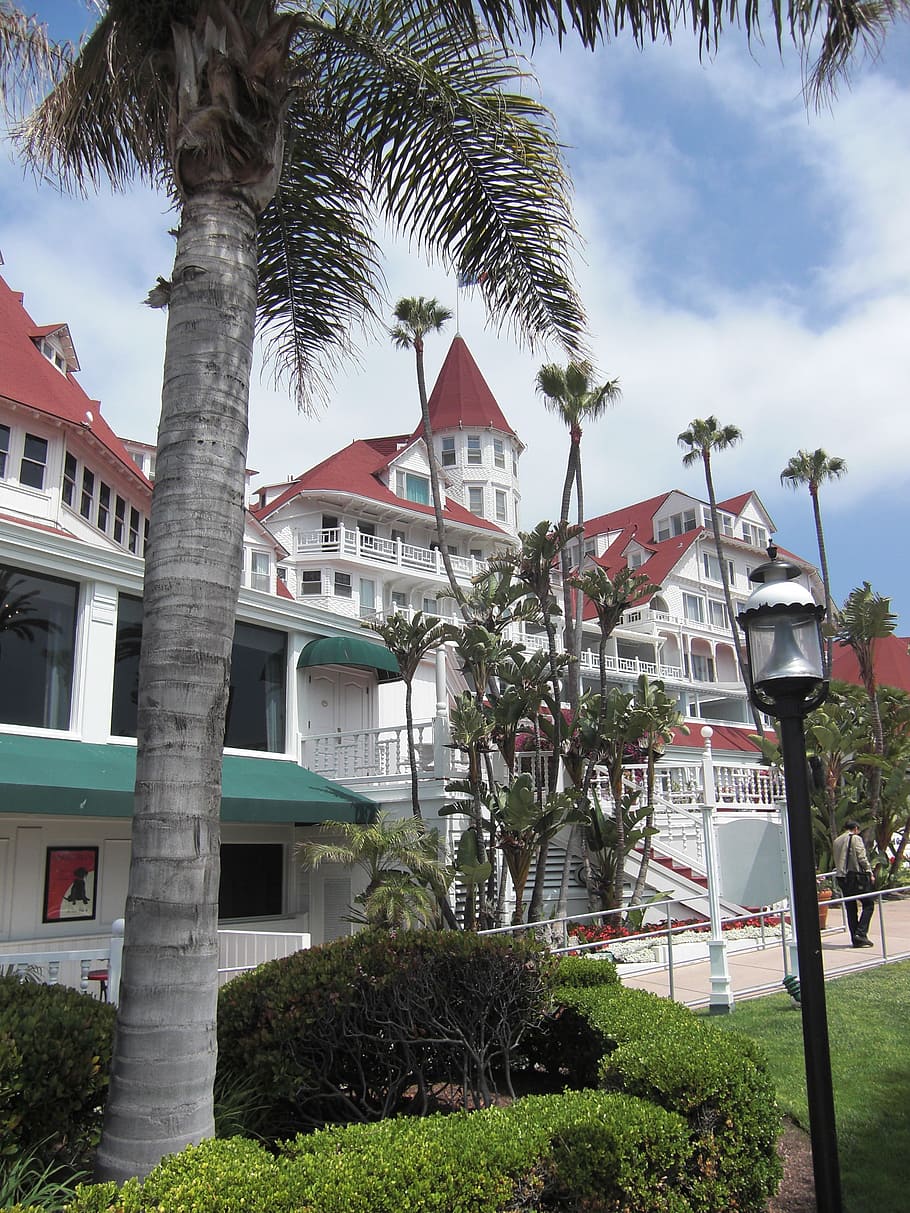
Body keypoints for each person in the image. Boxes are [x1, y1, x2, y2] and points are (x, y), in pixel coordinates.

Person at [833, 821, 876, 947]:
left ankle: (855, 939)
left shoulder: (837, 840)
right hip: (855, 876)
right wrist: (869, 871)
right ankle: (861, 933)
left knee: (851, 908)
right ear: (856, 829)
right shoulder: (855, 838)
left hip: (842, 877)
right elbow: (861, 857)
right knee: (868, 904)